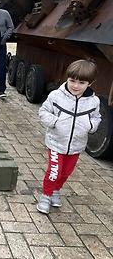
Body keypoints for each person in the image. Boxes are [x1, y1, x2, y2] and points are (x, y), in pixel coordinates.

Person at [37, 60, 101, 214]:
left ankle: (56, 190)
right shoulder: (56, 96)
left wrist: (91, 126)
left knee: (66, 173)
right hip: (56, 143)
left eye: (81, 82)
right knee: (54, 171)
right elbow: (44, 111)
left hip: (76, 146)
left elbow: (96, 117)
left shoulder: (94, 101)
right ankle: (46, 195)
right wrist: (55, 122)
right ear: (67, 78)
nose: (75, 86)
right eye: (72, 80)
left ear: (90, 83)